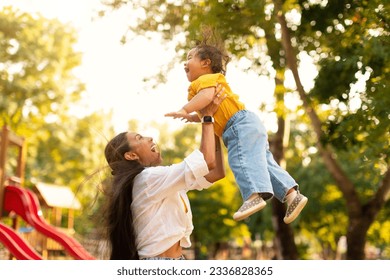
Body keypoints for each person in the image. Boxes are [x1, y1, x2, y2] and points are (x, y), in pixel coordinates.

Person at [165, 30, 308, 223]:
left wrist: (184, 109)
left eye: (190, 57)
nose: (185, 62)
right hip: (248, 123)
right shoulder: (207, 84)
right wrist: (194, 117)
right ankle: (292, 194)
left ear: (206, 63)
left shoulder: (205, 80)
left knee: (240, 158)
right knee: (264, 164)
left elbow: (206, 98)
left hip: (238, 126)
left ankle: (253, 196)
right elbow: (213, 112)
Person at [103, 86, 226, 260]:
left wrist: (214, 126)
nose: (150, 138)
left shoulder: (161, 182)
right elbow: (207, 161)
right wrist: (207, 118)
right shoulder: (147, 179)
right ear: (131, 155)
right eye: (139, 138)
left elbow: (215, 172)